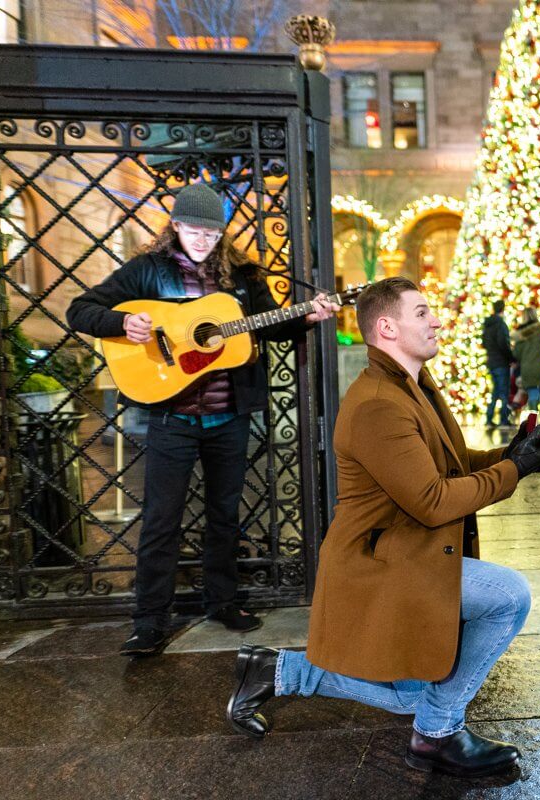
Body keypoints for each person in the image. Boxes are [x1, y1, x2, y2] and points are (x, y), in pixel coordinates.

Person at [226, 277, 540, 779]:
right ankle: (437, 733)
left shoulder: (411, 386)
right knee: (508, 596)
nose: (437, 320)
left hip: (407, 551)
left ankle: (277, 671)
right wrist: (512, 471)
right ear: (386, 327)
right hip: (379, 563)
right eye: (423, 312)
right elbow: (431, 500)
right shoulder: (378, 403)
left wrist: (512, 455)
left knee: (413, 690)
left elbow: (446, 464)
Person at [66, 183, 339, 657]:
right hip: (172, 416)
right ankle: (149, 621)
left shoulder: (241, 276)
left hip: (227, 416)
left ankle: (222, 601)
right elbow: (80, 309)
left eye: (211, 232)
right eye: (193, 229)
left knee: (224, 515)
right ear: (174, 226)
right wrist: (120, 324)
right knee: (160, 520)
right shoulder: (148, 271)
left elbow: (269, 325)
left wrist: (308, 318)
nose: (202, 239)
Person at [510, 306, 540, 425]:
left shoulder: (519, 334)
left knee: (533, 394)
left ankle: (534, 423)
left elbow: (516, 354)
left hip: (527, 368)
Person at [481, 299, 514, 428]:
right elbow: (503, 344)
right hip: (501, 362)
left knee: (495, 392)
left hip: (491, 361)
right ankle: (503, 420)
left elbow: (484, 343)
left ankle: (489, 419)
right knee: (504, 392)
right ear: (503, 309)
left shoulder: (487, 324)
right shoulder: (501, 324)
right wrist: (511, 358)